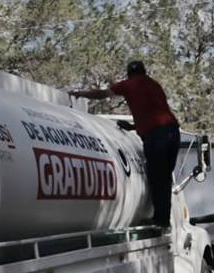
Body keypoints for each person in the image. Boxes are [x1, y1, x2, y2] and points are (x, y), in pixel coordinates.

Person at [69, 61, 180, 227]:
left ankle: (161, 219)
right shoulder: (154, 84)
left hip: (157, 137)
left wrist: (81, 94)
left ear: (129, 73)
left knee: (157, 177)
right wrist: (134, 126)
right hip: (173, 133)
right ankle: (163, 217)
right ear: (144, 71)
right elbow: (156, 112)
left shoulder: (128, 84)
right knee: (164, 178)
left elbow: (103, 94)